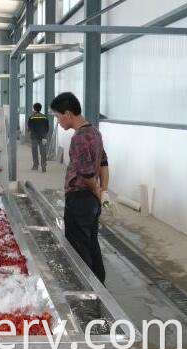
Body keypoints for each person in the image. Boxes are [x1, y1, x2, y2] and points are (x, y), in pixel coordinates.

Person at [50, 92, 107, 284]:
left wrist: (97, 191)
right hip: (90, 202)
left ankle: (87, 295)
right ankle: (100, 288)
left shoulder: (79, 138)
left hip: (80, 200)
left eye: (58, 116)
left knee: (79, 250)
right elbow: (104, 164)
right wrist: (103, 191)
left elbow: (87, 174)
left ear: (68, 114)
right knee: (92, 244)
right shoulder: (95, 132)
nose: (58, 122)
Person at [27, 103, 49, 172]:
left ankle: (35, 165)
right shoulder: (45, 117)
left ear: (34, 108)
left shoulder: (32, 117)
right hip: (43, 136)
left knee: (34, 151)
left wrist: (31, 132)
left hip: (34, 137)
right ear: (40, 108)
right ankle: (43, 165)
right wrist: (44, 134)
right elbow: (47, 127)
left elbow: (29, 127)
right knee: (43, 151)